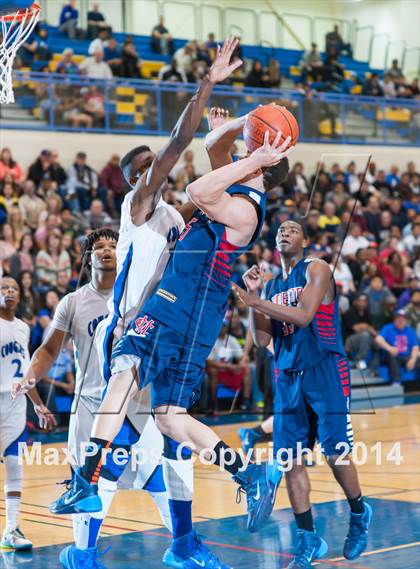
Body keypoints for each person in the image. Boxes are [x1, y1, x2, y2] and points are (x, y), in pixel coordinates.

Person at [33, 39, 243, 569]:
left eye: (156, 165)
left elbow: (219, 195)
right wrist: (207, 84)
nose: (159, 168)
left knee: (171, 432)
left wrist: (225, 142)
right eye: (148, 166)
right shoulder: (138, 204)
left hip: (164, 333)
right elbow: (177, 143)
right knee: (127, 436)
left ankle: (183, 541)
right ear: (134, 180)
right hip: (127, 332)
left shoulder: (178, 215)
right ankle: (86, 533)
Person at [14, 230, 174, 568]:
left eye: (113, 246)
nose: (106, 251)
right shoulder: (72, 302)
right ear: (88, 258)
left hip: (136, 405)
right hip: (90, 406)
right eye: (99, 247)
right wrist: (31, 377)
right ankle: (83, 556)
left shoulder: (139, 295)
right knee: (87, 485)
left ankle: (185, 546)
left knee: (159, 477)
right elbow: (48, 350)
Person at [234, 220, 372, 568]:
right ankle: (308, 539)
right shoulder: (273, 284)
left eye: (293, 229)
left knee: (334, 452)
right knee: (290, 460)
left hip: (325, 369)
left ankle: (359, 513)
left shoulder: (317, 268)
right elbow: (263, 341)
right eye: (281, 229)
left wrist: (258, 301)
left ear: (305, 241)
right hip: (288, 376)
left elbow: (305, 315)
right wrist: (256, 301)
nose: (285, 232)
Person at [0, 277, 40, 550]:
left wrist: (37, 402)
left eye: (14, 288)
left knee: (15, 467)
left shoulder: (24, 329)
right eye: (4, 287)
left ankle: (11, 530)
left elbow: (26, 370)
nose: (10, 291)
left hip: (16, 402)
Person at [375, 310, 419, 382]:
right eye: (399, 319)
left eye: (403, 319)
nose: (401, 321)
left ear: (406, 321)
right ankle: (396, 382)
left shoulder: (410, 330)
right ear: (394, 320)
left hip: (407, 356)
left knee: (418, 357)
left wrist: (413, 360)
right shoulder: (388, 328)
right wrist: (389, 348)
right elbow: (378, 339)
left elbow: (415, 347)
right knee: (392, 355)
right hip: (393, 355)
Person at [342, 292, 377, 370]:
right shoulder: (350, 312)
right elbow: (355, 328)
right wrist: (367, 327)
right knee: (365, 334)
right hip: (350, 340)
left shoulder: (367, 313)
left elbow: (373, 329)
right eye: (360, 301)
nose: (362, 303)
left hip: (365, 339)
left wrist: (365, 326)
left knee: (379, 342)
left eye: (364, 301)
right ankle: (359, 360)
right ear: (356, 301)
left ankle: (374, 368)